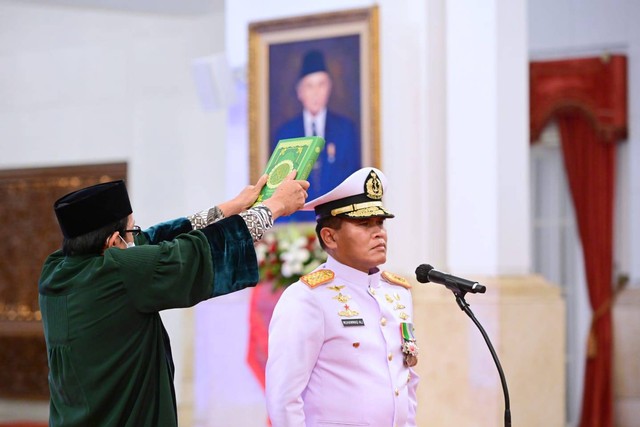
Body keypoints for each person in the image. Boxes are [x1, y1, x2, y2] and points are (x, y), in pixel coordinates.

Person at [38, 172, 309, 427]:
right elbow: (195, 252)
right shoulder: (118, 273)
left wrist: (233, 206)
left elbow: (154, 238)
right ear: (112, 242)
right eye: (131, 230)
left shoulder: (56, 269)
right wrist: (276, 206)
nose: (137, 236)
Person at [265, 167, 420, 426]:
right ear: (330, 236)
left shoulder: (398, 293)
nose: (378, 232)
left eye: (380, 222)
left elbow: (407, 381)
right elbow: (283, 398)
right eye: (363, 224)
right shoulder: (308, 298)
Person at [274, 49, 361, 220]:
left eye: (321, 85)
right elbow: (278, 190)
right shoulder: (286, 134)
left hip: (337, 222)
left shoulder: (345, 130)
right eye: (309, 86)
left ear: (329, 88)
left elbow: (353, 183)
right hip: (296, 228)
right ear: (299, 92)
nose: (316, 93)